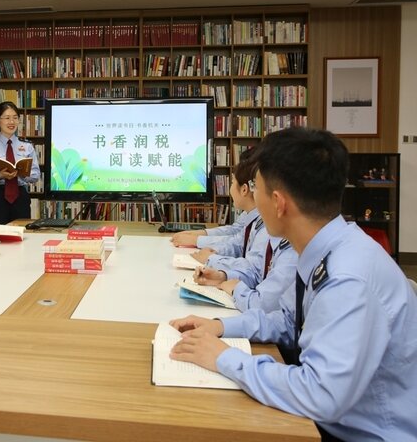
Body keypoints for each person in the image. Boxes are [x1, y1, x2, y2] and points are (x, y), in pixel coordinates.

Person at [170, 127, 417, 441]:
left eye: (257, 188)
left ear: (278, 202)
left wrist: (223, 357)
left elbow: (320, 395)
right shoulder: (326, 247)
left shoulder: (347, 278)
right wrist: (220, 326)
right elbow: (289, 322)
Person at [0, 101, 41, 224]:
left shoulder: (27, 146)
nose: (11, 122)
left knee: (20, 232)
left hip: (20, 196)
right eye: (7, 118)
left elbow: (36, 175)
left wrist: (22, 173)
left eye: (15, 118)